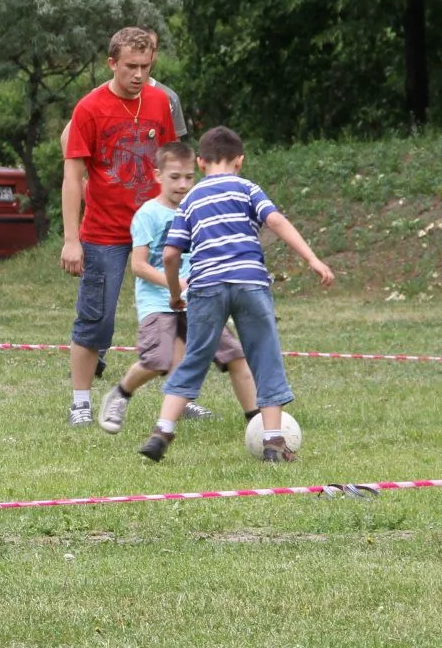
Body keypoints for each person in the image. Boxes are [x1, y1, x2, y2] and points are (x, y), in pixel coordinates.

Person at [140, 126, 334, 463]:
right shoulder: (248, 189)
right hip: (250, 283)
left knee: (195, 357)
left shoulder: (190, 200)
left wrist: (174, 293)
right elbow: (275, 221)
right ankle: (273, 441)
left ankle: (163, 430)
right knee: (265, 355)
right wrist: (312, 259)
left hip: (205, 287)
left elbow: (170, 255)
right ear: (240, 161)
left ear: (200, 162)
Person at [98, 140, 261, 434]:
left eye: (188, 177)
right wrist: (177, 284)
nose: (183, 184)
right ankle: (121, 393)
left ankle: (257, 421)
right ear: (158, 176)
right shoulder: (148, 215)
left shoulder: (198, 207)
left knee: (235, 356)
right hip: (159, 304)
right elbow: (139, 265)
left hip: (201, 299)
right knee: (157, 361)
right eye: (175, 177)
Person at [61, 27, 178, 425]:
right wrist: (71, 239)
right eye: (131, 66)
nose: (139, 74)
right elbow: (73, 177)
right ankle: (81, 403)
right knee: (97, 318)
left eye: (146, 66)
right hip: (104, 232)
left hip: (157, 228)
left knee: (176, 310)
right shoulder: (90, 108)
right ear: (112, 63)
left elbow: (172, 167)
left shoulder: (161, 102)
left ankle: (181, 393)